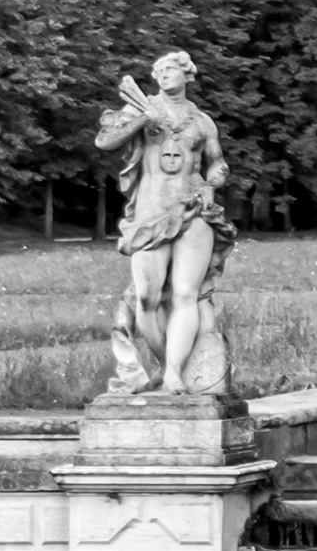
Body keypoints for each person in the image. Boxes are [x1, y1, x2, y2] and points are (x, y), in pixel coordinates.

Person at [96, 51, 233, 397]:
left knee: (186, 293)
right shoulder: (141, 107)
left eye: (170, 70)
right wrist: (143, 119)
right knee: (146, 298)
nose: (162, 76)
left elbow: (217, 163)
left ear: (187, 75)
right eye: (158, 71)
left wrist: (212, 184)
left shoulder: (202, 121)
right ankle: (163, 363)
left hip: (193, 207)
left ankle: (173, 374)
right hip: (151, 210)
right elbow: (105, 141)